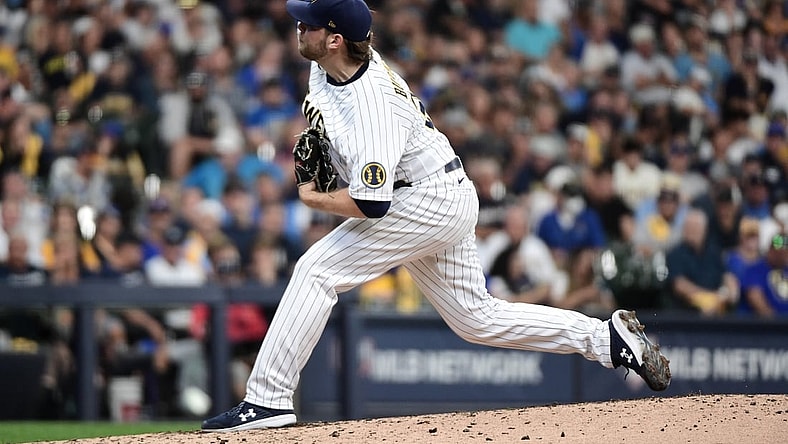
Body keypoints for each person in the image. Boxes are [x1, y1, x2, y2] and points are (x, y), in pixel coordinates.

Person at [201, 0, 671, 432]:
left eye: (308, 22)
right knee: (477, 319)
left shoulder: (373, 106)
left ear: (334, 39)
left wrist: (315, 197)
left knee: (316, 269)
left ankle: (268, 398)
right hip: (434, 190)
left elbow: (372, 203)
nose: (297, 26)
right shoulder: (327, 68)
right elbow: (341, 134)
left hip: (426, 199)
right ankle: (607, 339)